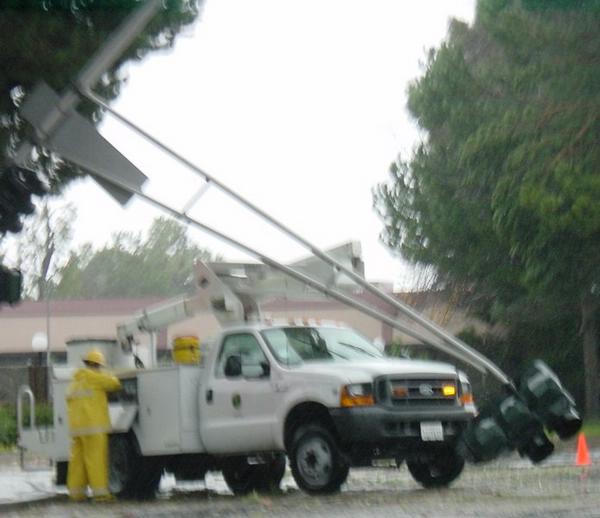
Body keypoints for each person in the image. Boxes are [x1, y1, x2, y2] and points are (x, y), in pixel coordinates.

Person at [66, 348, 121, 502]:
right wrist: (110, 374)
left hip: (77, 430)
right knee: (96, 461)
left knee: (77, 463)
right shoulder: (95, 378)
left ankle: (76, 494)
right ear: (97, 365)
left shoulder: (75, 381)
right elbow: (114, 383)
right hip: (94, 428)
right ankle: (101, 495)